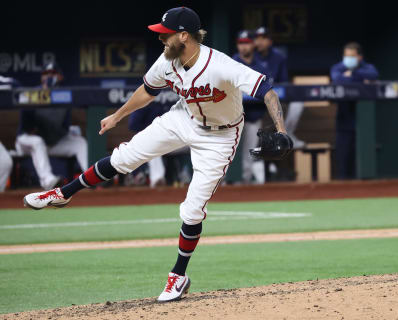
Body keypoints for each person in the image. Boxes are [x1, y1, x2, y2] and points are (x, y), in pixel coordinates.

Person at [23, 7, 291, 303]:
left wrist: (281, 130)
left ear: (184, 36)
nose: (161, 39)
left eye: (166, 34)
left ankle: (178, 276)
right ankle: (63, 193)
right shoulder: (167, 60)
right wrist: (117, 115)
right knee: (123, 157)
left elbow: (267, 89)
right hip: (183, 119)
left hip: (222, 136)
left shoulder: (220, 64)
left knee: (191, 210)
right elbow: (148, 90)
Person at [15, 62, 88, 189]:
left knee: (80, 143)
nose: (49, 76)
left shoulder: (65, 96)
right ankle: (48, 181)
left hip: (52, 142)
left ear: (60, 76)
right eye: (46, 73)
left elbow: (65, 126)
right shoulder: (32, 94)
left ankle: (91, 178)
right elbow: (27, 128)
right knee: (37, 141)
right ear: (41, 77)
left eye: (53, 73)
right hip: (26, 141)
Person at [330, 42, 379, 179]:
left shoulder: (367, 67)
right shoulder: (338, 67)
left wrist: (352, 74)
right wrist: (361, 81)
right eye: (346, 56)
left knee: (363, 163)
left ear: (359, 57)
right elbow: (338, 79)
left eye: (352, 56)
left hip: (363, 124)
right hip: (344, 122)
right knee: (343, 162)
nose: (348, 59)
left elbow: (373, 75)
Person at [254, 26, 305, 149]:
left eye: (264, 38)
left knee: (297, 103)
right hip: (254, 100)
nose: (260, 41)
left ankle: (287, 134)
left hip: (272, 96)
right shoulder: (250, 56)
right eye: (257, 38)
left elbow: (283, 82)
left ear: (270, 41)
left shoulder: (278, 57)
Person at [233, 30, 270, 184]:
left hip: (253, 116)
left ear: (252, 44)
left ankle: (245, 182)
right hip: (232, 117)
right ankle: (226, 181)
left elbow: (268, 92)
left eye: (247, 43)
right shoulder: (231, 63)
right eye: (241, 43)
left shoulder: (261, 66)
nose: (244, 47)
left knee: (249, 151)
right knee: (230, 151)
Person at [128, 105, 168, 187]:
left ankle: (156, 178)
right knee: (153, 146)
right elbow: (132, 125)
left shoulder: (165, 102)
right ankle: (156, 179)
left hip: (167, 138)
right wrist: (150, 129)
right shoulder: (143, 105)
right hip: (145, 138)